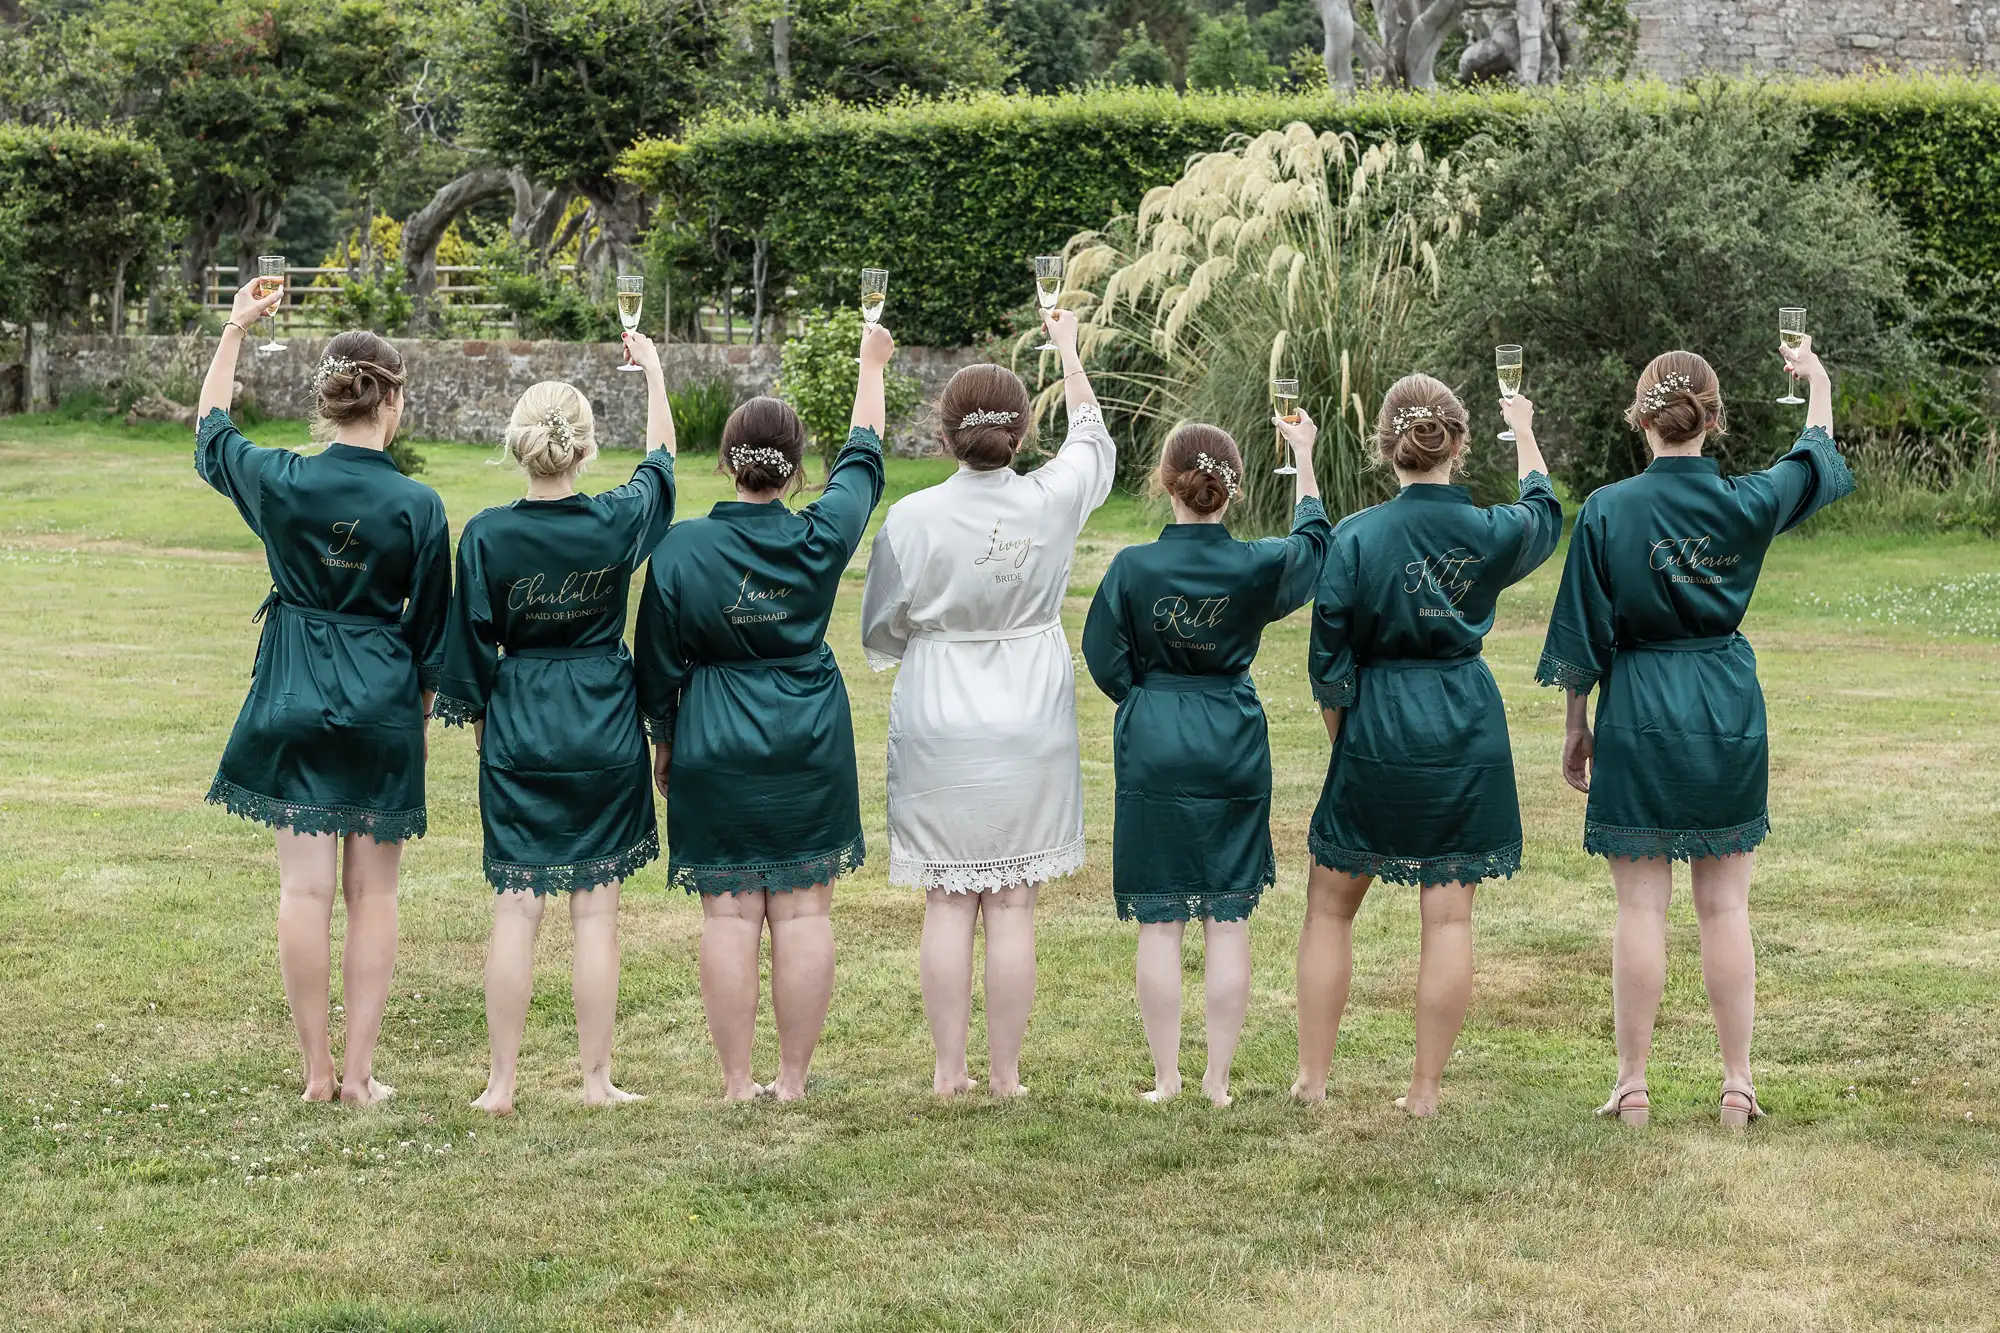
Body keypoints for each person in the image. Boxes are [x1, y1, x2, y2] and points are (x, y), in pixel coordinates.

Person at [1537, 338, 1850, 1129]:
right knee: (1726, 907)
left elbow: (1580, 633)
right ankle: (1738, 1083)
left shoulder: (1608, 508)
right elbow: (1815, 455)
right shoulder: (1747, 501)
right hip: (1725, 704)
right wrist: (1816, 380)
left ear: (1642, 421)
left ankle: (1634, 1085)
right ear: (1713, 417)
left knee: (1640, 908)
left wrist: (1578, 725)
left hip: (1639, 701)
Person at [193, 279, 450, 1107]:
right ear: (393, 401)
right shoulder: (418, 505)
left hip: (295, 688)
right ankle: (362, 1073)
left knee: (301, 891)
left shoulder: (283, 481)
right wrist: (409, 711)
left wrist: (235, 328)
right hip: (381, 699)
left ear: (328, 397)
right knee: (375, 894)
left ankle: (315, 1074)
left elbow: (210, 433)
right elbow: (434, 631)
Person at [859, 307, 1115, 1098]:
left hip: (940, 708)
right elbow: (1094, 443)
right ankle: (1004, 1075)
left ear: (945, 434)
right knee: (1011, 902)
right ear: (1022, 431)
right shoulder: (1050, 500)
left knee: (947, 895)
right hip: (1028, 713)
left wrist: (934, 644)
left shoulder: (910, 518)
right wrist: (1069, 348)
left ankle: (948, 1071)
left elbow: (883, 626)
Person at [635, 325, 892, 1103]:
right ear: (795, 466)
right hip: (809, 735)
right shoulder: (820, 535)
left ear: (727, 461)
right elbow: (866, 458)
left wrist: (665, 742)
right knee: (805, 913)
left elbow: (655, 665)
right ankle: (792, 1080)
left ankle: (738, 1081)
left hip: (714, 732)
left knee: (729, 918)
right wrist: (870, 366)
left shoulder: (680, 550)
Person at [1298, 375, 1560, 1116]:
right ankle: (1424, 1091)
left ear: (1387, 447)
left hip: (1375, 725)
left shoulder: (1353, 536)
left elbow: (1328, 667)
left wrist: (1347, 742)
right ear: (1459, 441)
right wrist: (1527, 429)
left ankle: (1312, 1079)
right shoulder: (1488, 530)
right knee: (1448, 918)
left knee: (1328, 907)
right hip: (1463, 724)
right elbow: (1545, 509)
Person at [435, 334, 677, 1115]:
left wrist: (485, 731)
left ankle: (501, 1084)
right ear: (583, 445)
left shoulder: (486, 535)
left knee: (517, 905)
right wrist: (657, 376)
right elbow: (662, 469)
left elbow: (467, 648)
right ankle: (596, 1080)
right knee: (595, 911)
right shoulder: (613, 524)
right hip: (602, 719)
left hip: (522, 719)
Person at [1081, 418, 1329, 1105]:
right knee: (1229, 914)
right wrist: (1304, 459)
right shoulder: (1253, 564)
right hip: (1231, 736)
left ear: (1166, 484)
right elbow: (1315, 546)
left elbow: (1102, 651)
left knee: (1160, 917)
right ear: (1234, 489)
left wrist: (1147, 696)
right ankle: (1217, 1081)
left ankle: (1167, 1079)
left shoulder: (1133, 566)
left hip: (1156, 737)